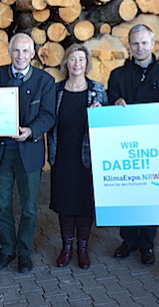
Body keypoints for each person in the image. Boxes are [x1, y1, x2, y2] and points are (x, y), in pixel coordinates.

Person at [0, 33, 56, 273]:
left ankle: (24, 252)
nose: (20, 56)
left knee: (29, 208)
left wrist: (31, 131)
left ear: (33, 54)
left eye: (25, 51)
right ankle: (6, 250)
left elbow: (49, 116)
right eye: (16, 50)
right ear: (9, 52)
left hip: (28, 152)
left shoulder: (45, 80)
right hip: (0, 152)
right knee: (2, 206)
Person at [107, 24, 159, 265]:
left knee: (151, 193)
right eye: (135, 43)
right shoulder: (117, 76)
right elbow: (109, 104)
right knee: (128, 193)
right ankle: (128, 240)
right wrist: (115, 103)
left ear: (153, 44)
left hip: (155, 148)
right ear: (129, 46)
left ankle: (147, 243)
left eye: (144, 43)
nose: (140, 47)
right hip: (126, 147)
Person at [47, 44, 107, 269]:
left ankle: (83, 248)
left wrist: (103, 111)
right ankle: (67, 247)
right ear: (66, 63)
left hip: (88, 158)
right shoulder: (56, 90)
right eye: (73, 59)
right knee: (65, 203)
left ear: (87, 63)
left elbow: (108, 123)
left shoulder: (98, 90)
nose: (77, 64)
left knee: (84, 204)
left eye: (81, 60)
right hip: (62, 155)